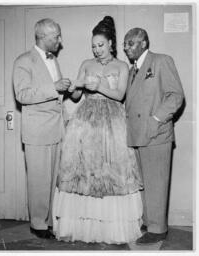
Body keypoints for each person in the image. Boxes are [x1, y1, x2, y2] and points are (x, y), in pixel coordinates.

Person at [52, 16, 143, 244]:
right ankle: (85, 227)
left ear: (111, 43)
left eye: (100, 45)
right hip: (86, 120)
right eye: (93, 46)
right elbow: (77, 96)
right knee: (84, 172)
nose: (96, 50)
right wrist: (73, 88)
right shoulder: (86, 64)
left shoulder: (122, 66)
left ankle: (112, 230)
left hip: (112, 121)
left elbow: (120, 95)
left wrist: (100, 85)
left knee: (111, 172)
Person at [124, 27, 184, 244]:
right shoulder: (132, 70)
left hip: (156, 134)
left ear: (144, 44)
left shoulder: (161, 61)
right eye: (125, 43)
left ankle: (158, 229)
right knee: (145, 183)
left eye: (131, 43)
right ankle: (150, 222)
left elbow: (176, 96)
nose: (126, 47)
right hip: (138, 134)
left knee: (156, 181)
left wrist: (156, 120)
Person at [13, 18, 71, 239]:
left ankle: (47, 221)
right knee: (38, 179)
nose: (59, 40)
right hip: (36, 130)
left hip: (55, 129)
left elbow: (55, 98)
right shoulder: (24, 61)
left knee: (51, 179)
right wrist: (53, 87)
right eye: (56, 36)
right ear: (43, 37)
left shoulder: (53, 60)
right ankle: (37, 224)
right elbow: (22, 95)